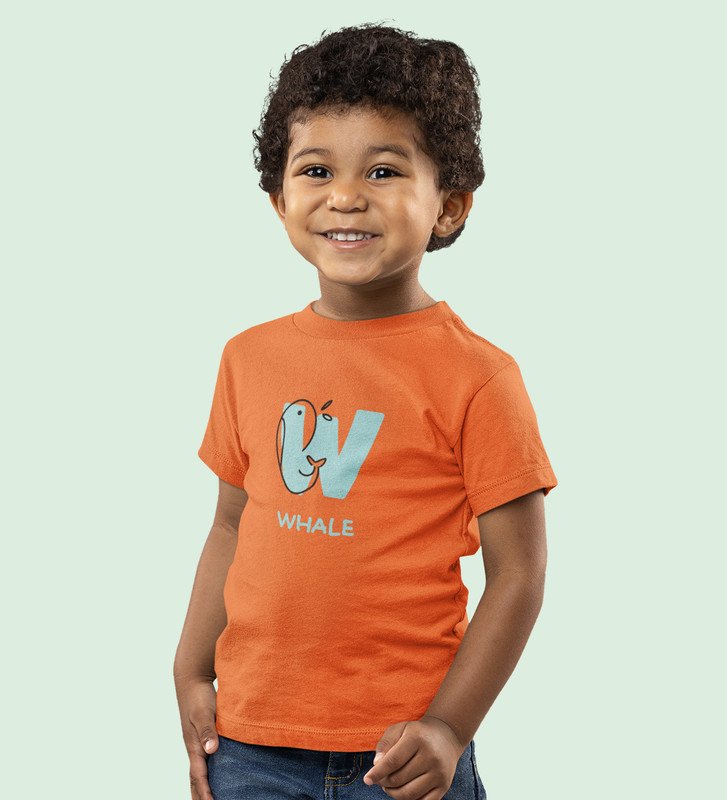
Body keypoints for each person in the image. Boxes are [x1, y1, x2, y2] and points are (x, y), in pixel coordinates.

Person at [174, 21, 558, 800]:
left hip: (401, 755)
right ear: (280, 199)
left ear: (448, 206)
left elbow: (517, 572)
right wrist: (189, 668)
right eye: (316, 169)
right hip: (248, 744)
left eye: (383, 170)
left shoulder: (479, 376)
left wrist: (448, 726)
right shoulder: (247, 357)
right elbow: (230, 525)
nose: (345, 195)